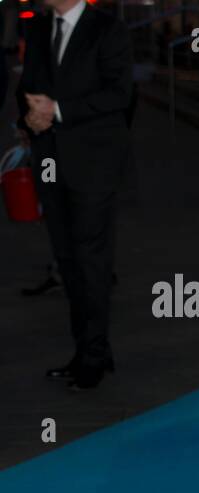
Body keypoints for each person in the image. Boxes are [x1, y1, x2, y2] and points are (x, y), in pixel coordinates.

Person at [16, 0, 132, 391]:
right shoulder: (37, 28)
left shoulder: (107, 29)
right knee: (67, 261)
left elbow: (119, 93)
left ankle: (92, 358)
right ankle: (88, 348)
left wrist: (59, 110)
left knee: (91, 260)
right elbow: (27, 87)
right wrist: (29, 117)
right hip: (50, 162)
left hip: (93, 164)